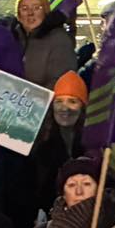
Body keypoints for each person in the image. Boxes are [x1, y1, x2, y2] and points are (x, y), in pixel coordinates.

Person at [28, 71, 89, 215]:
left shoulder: (92, 144)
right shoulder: (39, 142)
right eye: (59, 101)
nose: (64, 108)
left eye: (72, 101)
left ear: (82, 107)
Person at [15, 0, 77, 90]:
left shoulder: (59, 40)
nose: (30, 13)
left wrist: (32, 99)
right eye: (24, 8)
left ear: (45, 11)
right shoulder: (11, 37)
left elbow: (60, 81)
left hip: (42, 103)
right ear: (18, 15)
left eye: (37, 8)